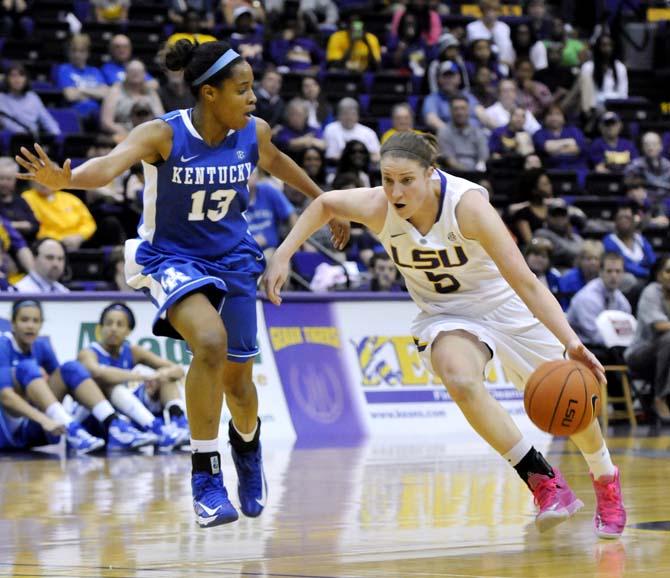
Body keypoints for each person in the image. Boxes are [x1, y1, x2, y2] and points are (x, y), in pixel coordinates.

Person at [16, 39, 349, 528]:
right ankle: (206, 474)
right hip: (172, 257)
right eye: (243, 89)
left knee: (239, 385)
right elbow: (107, 166)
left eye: (253, 87)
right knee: (209, 343)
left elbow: (277, 162)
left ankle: (247, 445)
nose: (253, 98)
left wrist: (325, 201)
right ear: (209, 94)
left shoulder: (252, 132)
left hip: (234, 258)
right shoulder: (163, 134)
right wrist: (66, 180)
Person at [264, 131, 626, 539]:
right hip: (447, 314)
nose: (395, 191)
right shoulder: (377, 206)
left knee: (572, 404)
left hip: (506, 305)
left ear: (431, 174)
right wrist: (283, 254)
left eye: (406, 180)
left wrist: (573, 344)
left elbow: (526, 282)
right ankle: (542, 479)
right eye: (387, 179)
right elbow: (325, 203)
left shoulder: (467, 206)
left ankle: (605, 478)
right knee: (457, 375)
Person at [0, 299, 152, 453]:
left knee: (71, 368)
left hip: (48, 424)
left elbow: (64, 381)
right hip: (13, 430)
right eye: (24, 320)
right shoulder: (3, 344)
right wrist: (44, 420)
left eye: (35, 320)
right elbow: (5, 397)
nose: (30, 325)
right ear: (13, 323)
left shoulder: (40, 346)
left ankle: (114, 424)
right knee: (28, 368)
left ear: (41, 324)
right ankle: (72, 427)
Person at [77, 302, 188, 452]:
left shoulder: (132, 351)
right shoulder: (88, 352)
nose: (113, 328)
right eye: (109, 323)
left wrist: (159, 375)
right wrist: (142, 377)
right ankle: (157, 428)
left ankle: (179, 424)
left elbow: (178, 370)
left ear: (128, 331)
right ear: (100, 328)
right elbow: (98, 373)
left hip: (124, 413)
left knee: (165, 378)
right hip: (95, 418)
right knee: (109, 382)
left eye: (120, 324)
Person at [624, 255, 670, 424]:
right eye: (668, 271)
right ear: (659, 275)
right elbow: (659, 326)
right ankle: (660, 397)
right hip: (639, 354)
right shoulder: (651, 292)